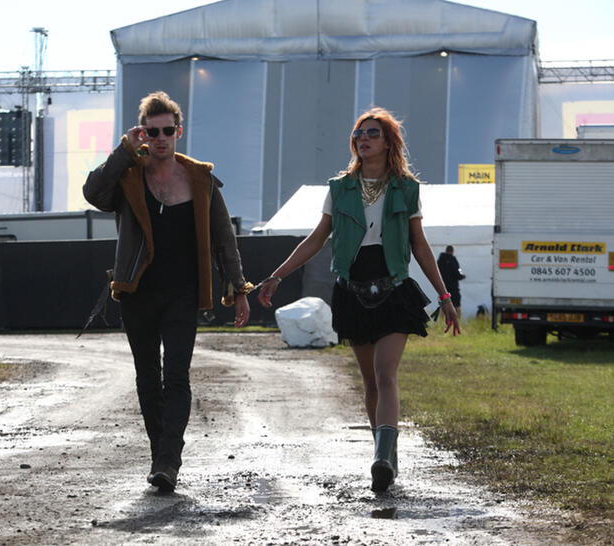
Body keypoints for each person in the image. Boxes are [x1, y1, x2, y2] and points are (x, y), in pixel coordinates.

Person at [258, 107, 460, 492]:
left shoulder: (406, 188)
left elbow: (419, 245)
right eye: (358, 133)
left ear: (387, 142)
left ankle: (382, 458)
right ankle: (386, 453)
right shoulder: (339, 189)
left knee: (386, 373)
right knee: (369, 381)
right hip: (352, 288)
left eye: (371, 133)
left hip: (395, 289)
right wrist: (277, 275)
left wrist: (444, 295)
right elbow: (316, 240)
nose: (363, 138)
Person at [83, 91, 252, 493]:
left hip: (183, 293)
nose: (160, 138)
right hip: (138, 291)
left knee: (176, 375)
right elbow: (93, 193)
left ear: (179, 131)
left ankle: (167, 461)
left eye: (167, 130)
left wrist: (238, 288)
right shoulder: (128, 175)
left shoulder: (200, 177)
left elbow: (223, 237)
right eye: (151, 131)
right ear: (142, 133)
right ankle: (160, 452)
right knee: (147, 377)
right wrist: (123, 151)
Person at [437, 245, 465, 316]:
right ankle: (458, 322)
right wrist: (462, 276)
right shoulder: (453, 259)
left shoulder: (440, 260)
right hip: (453, 288)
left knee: (442, 305)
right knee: (457, 305)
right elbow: (458, 272)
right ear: (452, 251)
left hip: (443, 288)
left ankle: (440, 323)